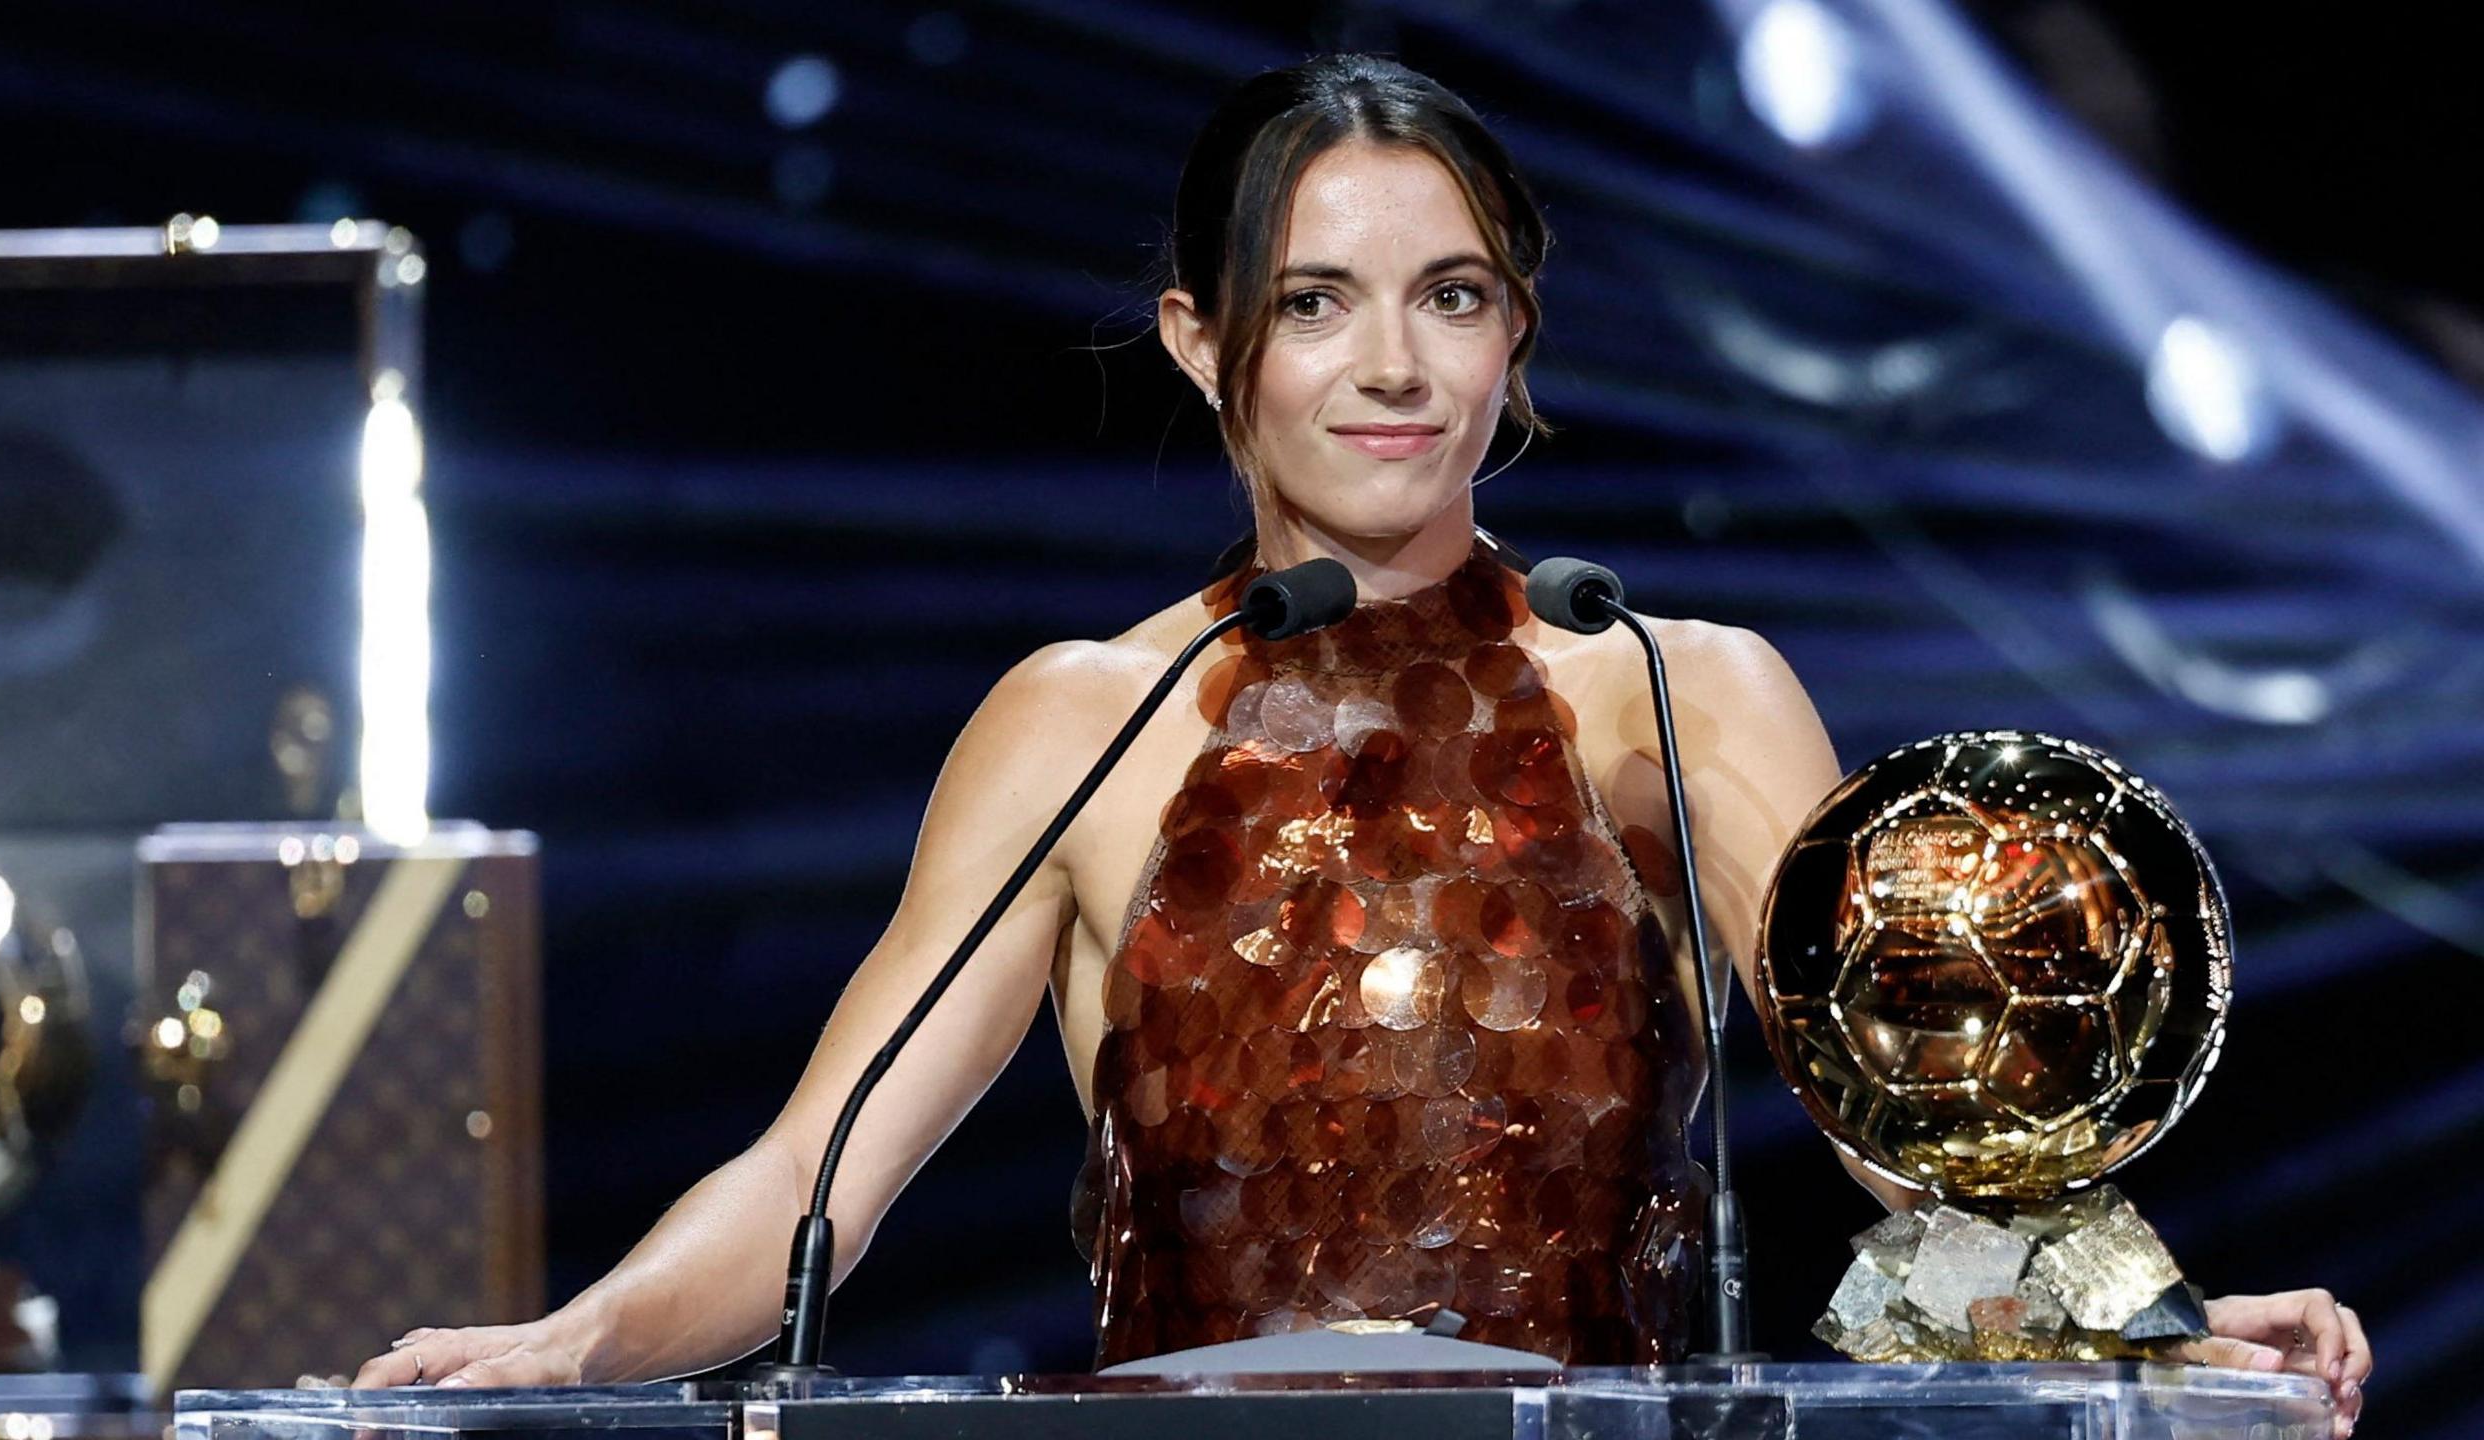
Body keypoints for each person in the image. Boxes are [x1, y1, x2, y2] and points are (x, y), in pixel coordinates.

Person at [356, 53, 2370, 1431]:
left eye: (1451, 297)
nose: (1391, 365)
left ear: (1516, 340)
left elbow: (1907, 1137)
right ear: (1200, 342)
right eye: (1315, 303)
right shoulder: (1084, 721)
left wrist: (2152, 1332)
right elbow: (817, 1178)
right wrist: (577, 1343)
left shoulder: (1670, 687)